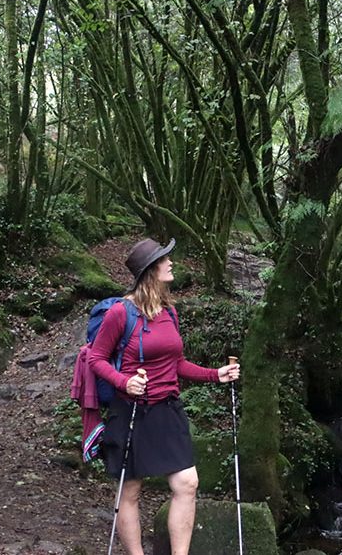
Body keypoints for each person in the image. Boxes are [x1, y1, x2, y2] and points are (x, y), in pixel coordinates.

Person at [89, 237, 240, 555]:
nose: (171, 262)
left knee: (187, 482)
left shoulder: (169, 311)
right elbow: (95, 358)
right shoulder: (121, 313)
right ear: (150, 271)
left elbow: (178, 364)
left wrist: (216, 374)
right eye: (164, 259)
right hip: (131, 409)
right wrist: (124, 381)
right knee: (130, 490)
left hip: (167, 409)